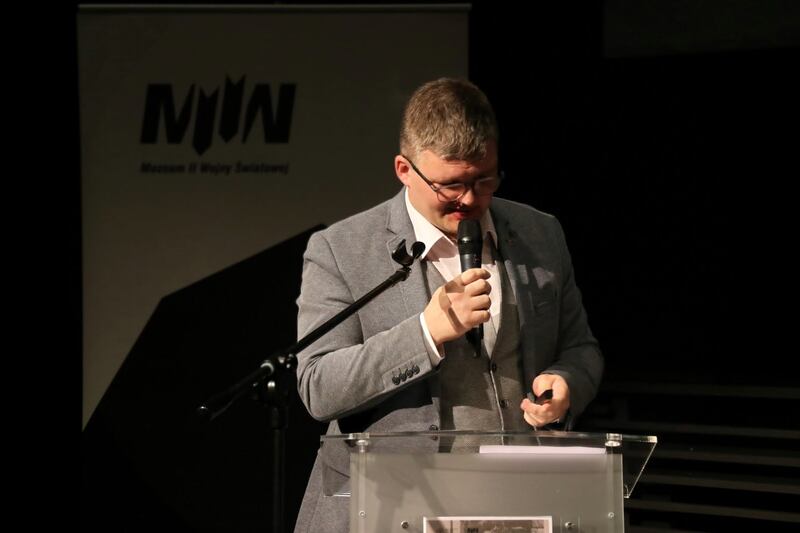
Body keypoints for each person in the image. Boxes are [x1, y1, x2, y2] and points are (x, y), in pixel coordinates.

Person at [293, 78, 603, 532]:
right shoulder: (341, 249)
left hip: (517, 505)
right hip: (390, 510)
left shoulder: (540, 234)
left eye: (484, 179)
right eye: (451, 185)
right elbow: (318, 385)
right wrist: (425, 333)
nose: (470, 199)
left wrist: (567, 383)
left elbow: (582, 348)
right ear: (404, 169)